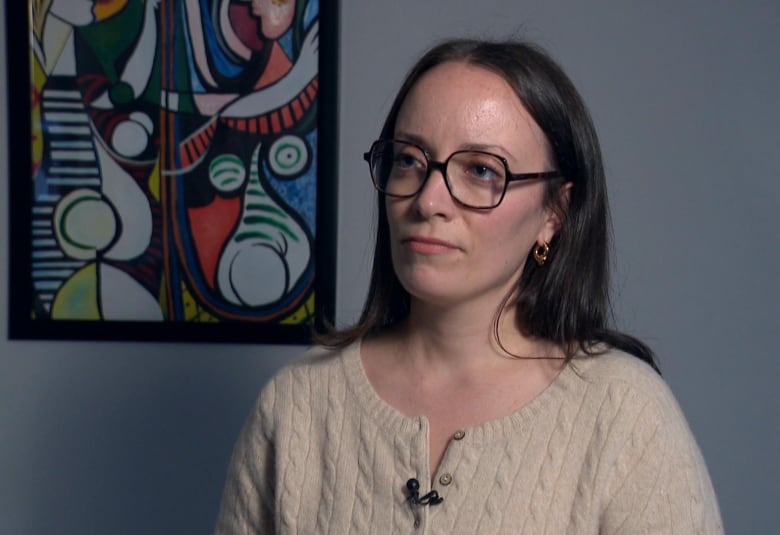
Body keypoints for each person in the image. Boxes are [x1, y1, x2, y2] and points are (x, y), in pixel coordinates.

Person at [214, 38, 723, 533]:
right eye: (410, 160)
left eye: (481, 169)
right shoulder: (296, 405)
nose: (429, 200)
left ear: (555, 211)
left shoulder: (625, 416)